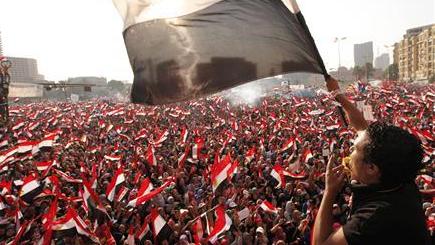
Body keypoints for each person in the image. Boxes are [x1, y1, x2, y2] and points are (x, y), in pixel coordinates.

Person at [312, 77, 431, 245]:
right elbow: (361, 127)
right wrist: (338, 94)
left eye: (354, 149)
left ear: (371, 168)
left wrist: (329, 192)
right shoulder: (401, 182)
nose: (349, 152)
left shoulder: (371, 220)